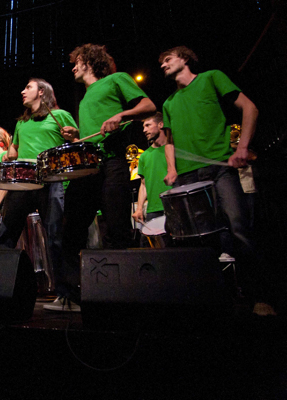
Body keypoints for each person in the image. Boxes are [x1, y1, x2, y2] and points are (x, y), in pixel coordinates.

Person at [158, 46, 274, 315]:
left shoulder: (211, 78)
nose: (163, 65)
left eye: (168, 59)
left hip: (218, 169)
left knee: (238, 228)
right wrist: (172, 168)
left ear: (185, 59)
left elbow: (250, 108)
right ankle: (209, 300)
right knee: (196, 240)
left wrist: (242, 147)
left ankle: (259, 296)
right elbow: (170, 141)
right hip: (187, 176)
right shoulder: (168, 103)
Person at [55, 44, 156, 311]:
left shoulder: (116, 79)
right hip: (86, 168)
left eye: (76, 61)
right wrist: (75, 136)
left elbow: (148, 105)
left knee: (116, 229)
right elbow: (94, 132)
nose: (73, 65)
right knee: (71, 233)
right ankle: (74, 296)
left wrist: (120, 115)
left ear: (89, 61)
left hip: (112, 162)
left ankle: (121, 298)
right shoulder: (86, 97)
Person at [0, 78, 77, 307]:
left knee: (55, 239)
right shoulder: (22, 122)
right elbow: (15, 150)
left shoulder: (60, 116)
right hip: (24, 182)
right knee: (6, 235)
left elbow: (76, 143)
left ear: (42, 92)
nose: (22, 91)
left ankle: (66, 295)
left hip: (52, 181)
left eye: (28, 87)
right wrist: (8, 154)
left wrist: (73, 136)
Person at [132, 112, 172, 225]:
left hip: (175, 204)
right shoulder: (144, 156)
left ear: (160, 125)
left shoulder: (173, 149)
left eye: (148, 125)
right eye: (143, 127)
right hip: (153, 210)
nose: (144, 130)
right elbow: (143, 184)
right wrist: (139, 209)